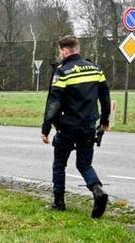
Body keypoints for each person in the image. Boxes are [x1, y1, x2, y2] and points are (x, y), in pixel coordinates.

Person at [41, 35, 111, 218]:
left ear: (64, 51)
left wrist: (46, 128)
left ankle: (59, 203)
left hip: (67, 127)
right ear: (77, 48)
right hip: (88, 126)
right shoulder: (95, 68)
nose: (60, 54)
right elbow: (105, 96)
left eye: (60, 51)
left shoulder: (63, 71)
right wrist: (104, 121)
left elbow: (54, 103)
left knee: (59, 164)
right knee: (84, 164)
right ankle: (97, 190)